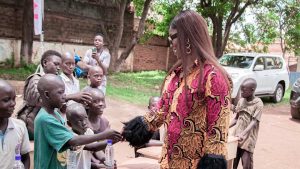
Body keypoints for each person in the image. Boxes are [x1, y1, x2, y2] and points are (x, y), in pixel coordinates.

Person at [122, 10, 231, 169]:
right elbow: (160, 113)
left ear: (187, 38)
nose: (169, 41)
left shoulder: (213, 76)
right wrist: (134, 130)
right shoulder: (175, 75)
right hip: (168, 163)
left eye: (173, 37)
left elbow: (218, 133)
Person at [34, 74, 121, 169]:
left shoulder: (55, 114)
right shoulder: (45, 119)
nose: (64, 96)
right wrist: (104, 135)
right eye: (60, 93)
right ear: (47, 94)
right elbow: (73, 141)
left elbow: (88, 147)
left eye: (64, 92)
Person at [17, 50, 62, 140]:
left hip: (44, 122)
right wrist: (71, 97)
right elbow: (41, 101)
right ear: (45, 63)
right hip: (31, 124)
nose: (58, 68)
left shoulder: (56, 81)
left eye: (59, 65)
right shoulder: (35, 80)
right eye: (55, 64)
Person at [66, 102, 113, 169]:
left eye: (85, 118)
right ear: (69, 124)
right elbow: (93, 147)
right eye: (80, 121)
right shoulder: (72, 138)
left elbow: (97, 151)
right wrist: (112, 140)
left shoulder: (88, 131)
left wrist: (105, 160)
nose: (84, 123)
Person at [229, 78, 263, 169]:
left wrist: (242, 134)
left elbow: (254, 122)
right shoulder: (241, 101)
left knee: (247, 165)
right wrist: (226, 128)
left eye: (244, 90)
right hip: (236, 138)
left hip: (248, 140)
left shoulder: (258, 104)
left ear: (252, 90)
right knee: (233, 163)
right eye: (241, 89)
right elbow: (236, 119)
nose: (241, 92)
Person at [0, 79, 30, 169]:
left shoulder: (20, 126)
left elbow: (25, 157)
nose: (13, 104)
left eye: (14, 99)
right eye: (6, 100)